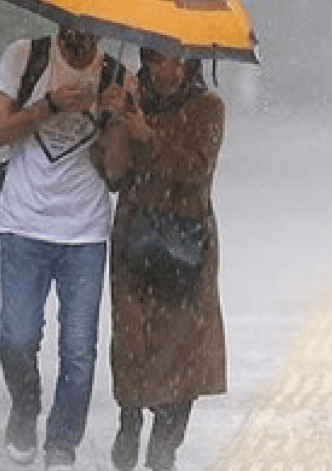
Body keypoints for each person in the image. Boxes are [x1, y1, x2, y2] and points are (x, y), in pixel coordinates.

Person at [0, 24, 128, 471]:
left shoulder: (117, 77)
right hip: (24, 224)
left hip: (84, 231)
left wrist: (114, 118)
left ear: (103, 31)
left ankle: (63, 443)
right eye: (71, 29)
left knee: (79, 348)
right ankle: (26, 408)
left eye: (89, 32)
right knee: (17, 336)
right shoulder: (24, 56)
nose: (78, 40)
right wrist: (49, 105)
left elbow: (120, 173)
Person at [91, 47, 227, 471]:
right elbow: (112, 174)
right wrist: (112, 121)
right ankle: (129, 420)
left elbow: (195, 170)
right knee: (133, 340)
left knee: (186, 349)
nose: (153, 67)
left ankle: (166, 444)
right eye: (147, 58)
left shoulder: (208, 106)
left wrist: (146, 134)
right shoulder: (130, 95)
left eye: (162, 58)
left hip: (186, 239)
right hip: (136, 235)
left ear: (186, 62)